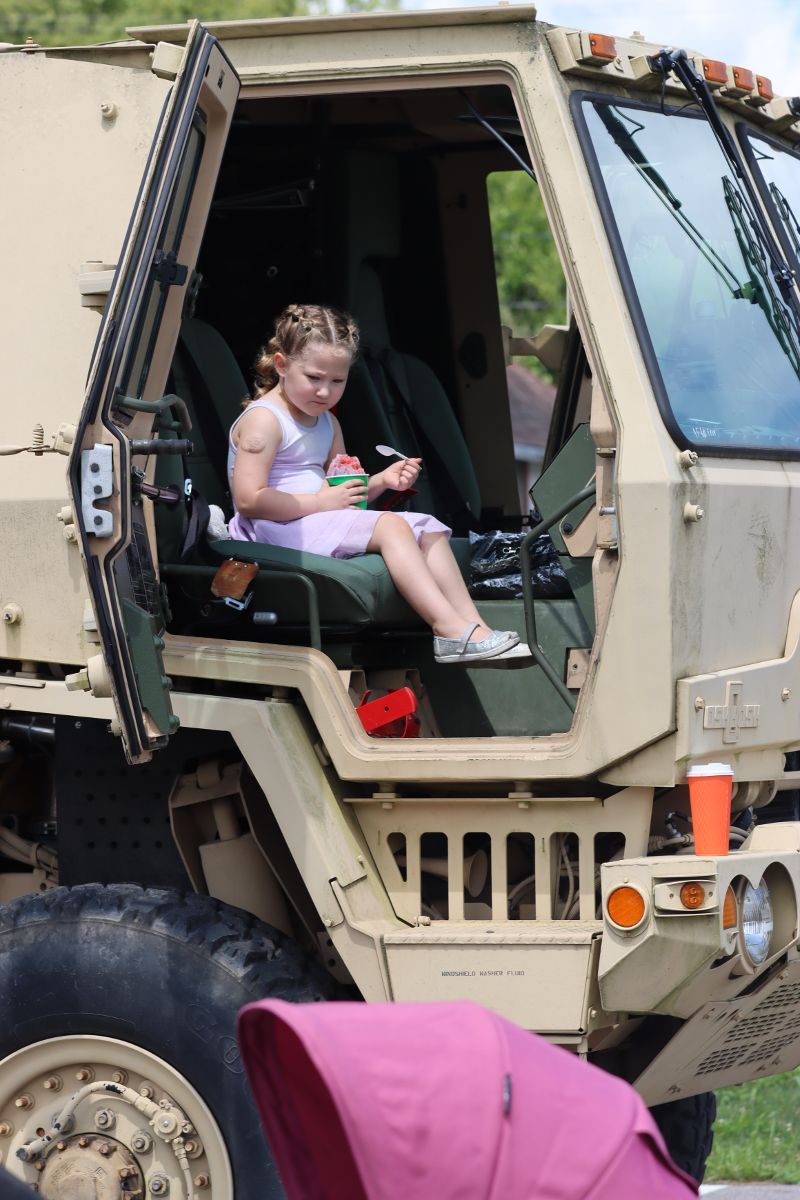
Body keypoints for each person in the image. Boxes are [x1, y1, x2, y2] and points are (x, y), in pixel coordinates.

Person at [228, 303, 521, 663]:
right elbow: (248, 499)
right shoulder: (264, 421)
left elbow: (343, 495)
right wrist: (321, 502)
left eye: (337, 381)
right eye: (314, 378)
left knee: (429, 528)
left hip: (315, 518)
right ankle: (447, 628)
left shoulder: (326, 423)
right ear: (282, 365)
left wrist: (382, 481)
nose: (324, 392)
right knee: (393, 527)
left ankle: (474, 627)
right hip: (272, 529)